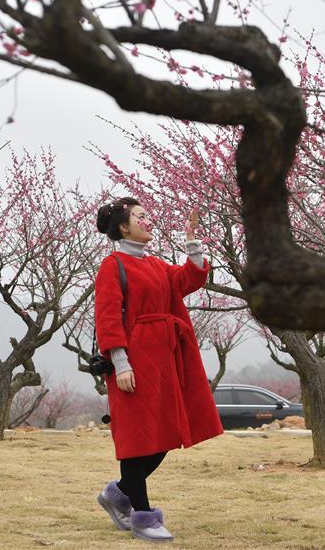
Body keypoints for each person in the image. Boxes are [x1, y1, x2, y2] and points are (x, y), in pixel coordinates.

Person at [93, 197, 223, 542]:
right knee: (138, 440)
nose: (148, 221)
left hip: (165, 361)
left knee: (163, 435)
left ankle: (118, 493)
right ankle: (143, 517)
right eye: (141, 216)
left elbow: (187, 280)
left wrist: (192, 240)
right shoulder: (113, 266)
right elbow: (107, 318)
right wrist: (120, 363)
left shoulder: (155, 265)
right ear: (124, 226)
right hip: (133, 363)